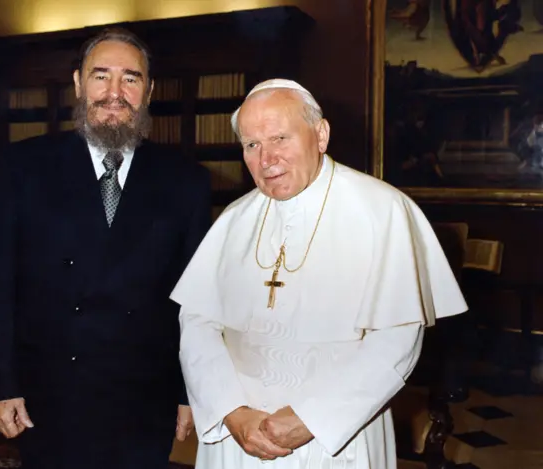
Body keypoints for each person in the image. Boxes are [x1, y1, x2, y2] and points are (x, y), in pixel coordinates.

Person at [171, 79, 467, 469]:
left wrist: (314, 418)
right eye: (251, 145)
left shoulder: (383, 211)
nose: (266, 159)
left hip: (336, 438)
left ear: (321, 134)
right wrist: (230, 409)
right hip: (239, 437)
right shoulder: (233, 220)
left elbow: (397, 339)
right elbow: (197, 321)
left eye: (280, 138)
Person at [0, 27, 210, 469]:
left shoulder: (186, 180)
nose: (114, 92)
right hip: (49, 393)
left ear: (149, 90)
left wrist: (188, 393)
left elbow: (195, 304)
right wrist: (2, 384)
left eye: (131, 78)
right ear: (79, 84)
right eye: (101, 76)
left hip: (144, 396)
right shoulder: (22, 167)